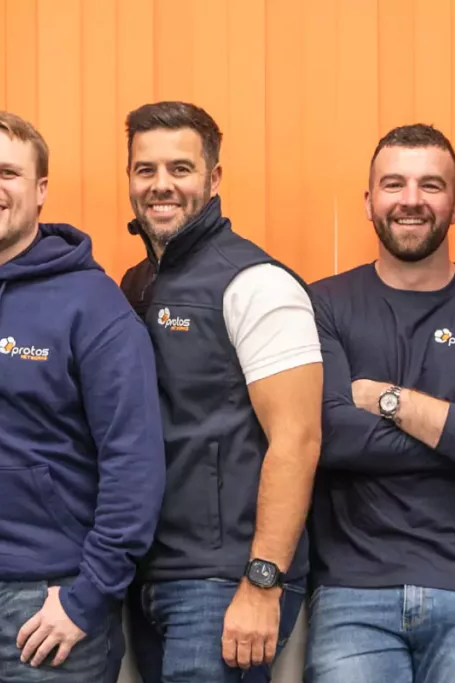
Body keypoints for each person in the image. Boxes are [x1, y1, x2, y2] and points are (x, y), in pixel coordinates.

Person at [0, 110, 166, 682]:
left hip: (50, 601)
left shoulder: (94, 306)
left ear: (41, 189)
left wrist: (88, 597)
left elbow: (135, 462)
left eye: (8, 172)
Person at [305, 123, 455, 683]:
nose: (411, 201)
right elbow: (330, 435)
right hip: (353, 592)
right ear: (369, 199)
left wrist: (388, 399)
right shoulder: (322, 305)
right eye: (394, 184)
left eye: (431, 185)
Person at [119, 101, 324, 683]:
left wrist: (263, 583)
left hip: (224, 583)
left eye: (180, 169)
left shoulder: (256, 283)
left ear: (213, 179)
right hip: (150, 577)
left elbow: (299, 439)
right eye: (145, 169)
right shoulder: (135, 283)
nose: (161, 185)